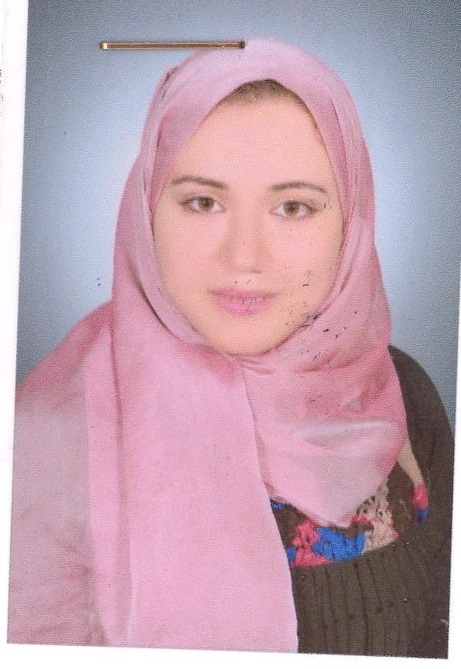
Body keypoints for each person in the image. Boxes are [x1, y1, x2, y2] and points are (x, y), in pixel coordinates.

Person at [8, 39, 453, 657]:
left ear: (350, 222)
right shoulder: (47, 434)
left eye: (293, 207)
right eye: (203, 202)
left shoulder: (402, 394)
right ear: (146, 212)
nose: (244, 256)